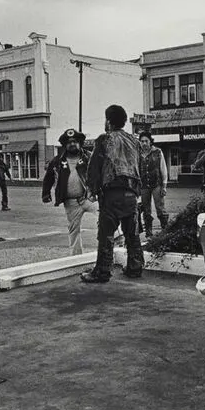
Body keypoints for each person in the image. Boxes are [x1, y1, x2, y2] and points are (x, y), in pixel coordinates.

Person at [81, 104, 144, 283]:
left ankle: (102, 272)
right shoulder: (134, 141)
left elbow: (94, 167)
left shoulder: (104, 139)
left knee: (106, 235)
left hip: (112, 193)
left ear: (108, 121)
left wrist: (91, 190)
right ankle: (135, 266)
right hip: (131, 193)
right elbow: (141, 166)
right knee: (132, 233)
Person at [42, 128, 96, 255]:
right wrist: (46, 193)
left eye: (75, 141)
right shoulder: (57, 161)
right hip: (71, 202)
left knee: (106, 216)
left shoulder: (89, 157)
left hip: (90, 197)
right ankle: (76, 258)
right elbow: (48, 177)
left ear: (80, 143)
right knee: (73, 229)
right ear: (65, 145)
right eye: (69, 142)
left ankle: (116, 245)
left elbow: (101, 172)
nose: (72, 144)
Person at [138, 131, 169, 237]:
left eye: (146, 141)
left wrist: (164, 186)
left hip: (157, 184)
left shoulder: (158, 152)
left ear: (150, 142)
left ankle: (165, 231)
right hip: (143, 186)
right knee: (146, 210)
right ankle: (149, 233)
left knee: (160, 208)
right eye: (142, 141)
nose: (144, 143)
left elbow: (163, 169)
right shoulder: (138, 154)